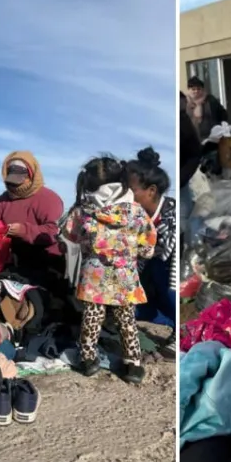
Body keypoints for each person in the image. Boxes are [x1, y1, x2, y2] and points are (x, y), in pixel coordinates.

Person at [63, 156, 156, 384]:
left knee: (92, 318)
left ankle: (88, 359)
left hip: (93, 275)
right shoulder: (136, 211)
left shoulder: (84, 210)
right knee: (126, 319)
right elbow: (148, 249)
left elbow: (70, 235)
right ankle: (132, 364)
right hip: (125, 274)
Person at [0, 151, 65, 288]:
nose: (15, 187)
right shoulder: (4, 199)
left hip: (46, 260)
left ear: (32, 175)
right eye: (12, 182)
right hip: (15, 258)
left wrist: (24, 231)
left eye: (19, 181)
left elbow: (54, 231)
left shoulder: (49, 199)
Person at [127, 147, 177, 358]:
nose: (126, 197)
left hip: (170, 270)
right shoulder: (131, 216)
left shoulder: (172, 218)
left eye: (131, 191)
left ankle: (180, 331)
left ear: (151, 191)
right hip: (148, 269)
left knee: (169, 285)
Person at [179, 92, 202, 252]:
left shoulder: (183, 121)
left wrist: (182, 177)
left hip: (181, 182)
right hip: (179, 180)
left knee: (182, 223)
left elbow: (194, 153)